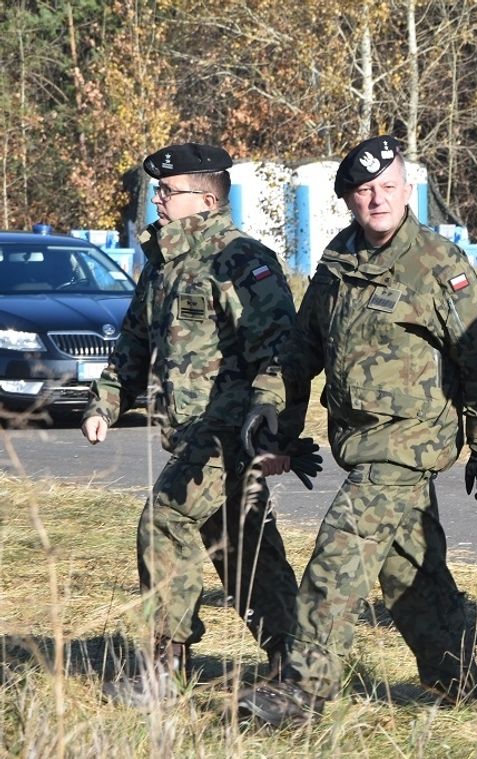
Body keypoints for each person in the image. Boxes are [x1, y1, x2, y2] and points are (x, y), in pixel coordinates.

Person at [234, 135, 477, 726]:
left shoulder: (438, 264)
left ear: (408, 191)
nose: (377, 199)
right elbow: (302, 348)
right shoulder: (339, 262)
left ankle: (302, 690)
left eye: (388, 187)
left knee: (339, 551)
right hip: (360, 444)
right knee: (410, 574)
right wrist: (270, 406)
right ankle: (459, 686)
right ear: (348, 200)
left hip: (411, 442)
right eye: (364, 190)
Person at [81, 142, 302, 706]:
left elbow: (280, 351)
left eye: (168, 191)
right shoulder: (163, 262)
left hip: (227, 433)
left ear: (206, 200)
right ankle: (297, 662)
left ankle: (164, 669)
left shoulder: (240, 260)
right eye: (157, 190)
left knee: (164, 520)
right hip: (186, 434)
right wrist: (106, 403)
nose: (157, 199)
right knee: (243, 546)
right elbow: (134, 343)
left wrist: (270, 427)